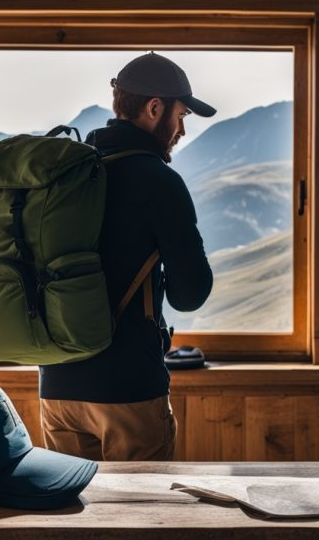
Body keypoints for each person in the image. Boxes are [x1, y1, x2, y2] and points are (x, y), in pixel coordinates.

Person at [38, 52, 215, 461]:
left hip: (57, 388)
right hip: (128, 388)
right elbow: (189, 294)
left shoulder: (67, 172)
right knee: (139, 518)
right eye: (182, 115)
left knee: (72, 517)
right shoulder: (158, 180)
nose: (182, 130)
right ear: (155, 108)